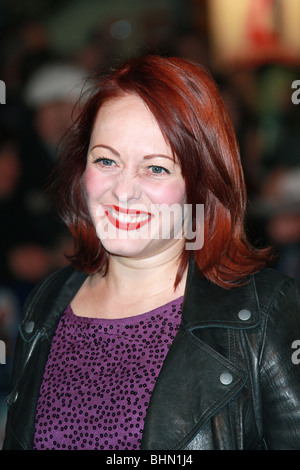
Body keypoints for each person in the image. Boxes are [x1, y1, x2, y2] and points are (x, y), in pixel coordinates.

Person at [3, 55, 300, 451]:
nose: (123, 191)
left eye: (156, 168)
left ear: (201, 183)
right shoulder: (48, 302)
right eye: (106, 160)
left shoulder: (265, 312)